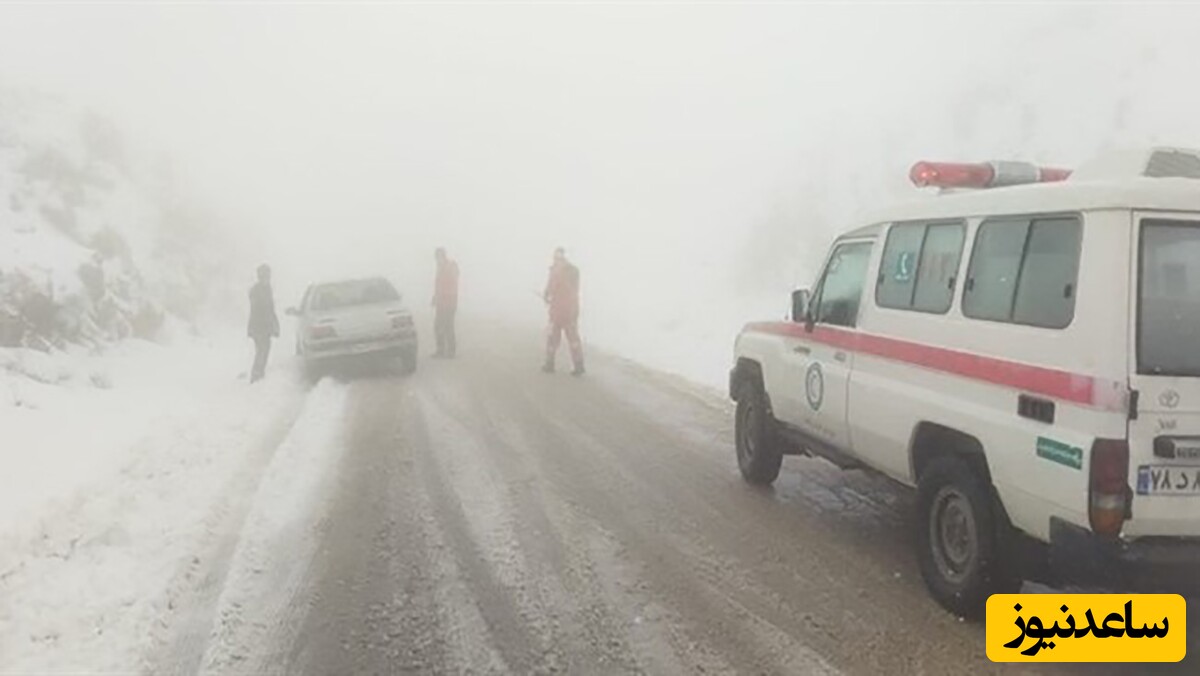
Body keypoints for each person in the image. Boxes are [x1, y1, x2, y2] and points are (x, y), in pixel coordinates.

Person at [542, 247, 584, 375]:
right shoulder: (574, 271)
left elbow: (550, 288)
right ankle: (579, 365)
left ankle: (550, 364)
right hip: (571, 310)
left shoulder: (556, 271)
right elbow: (575, 290)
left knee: (552, 338)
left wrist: (546, 295)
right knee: (573, 338)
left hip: (558, 311)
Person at [247, 263, 280, 383]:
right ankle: (256, 376)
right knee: (261, 350)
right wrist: (270, 324)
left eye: (268, 275)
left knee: (264, 349)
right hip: (258, 327)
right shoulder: (257, 291)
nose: (267, 278)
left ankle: (259, 374)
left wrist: (274, 324)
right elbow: (260, 310)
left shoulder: (267, 289)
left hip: (264, 326)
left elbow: (271, 309)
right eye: (265, 276)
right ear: (260, 276)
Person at [432, 247, 459, 358]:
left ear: (443, 256)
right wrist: (435, 297)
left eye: (438, 257)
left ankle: (451, 351)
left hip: (449, 303)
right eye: (436, 258)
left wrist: (444, 296)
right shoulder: (440, 268)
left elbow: (452, 284)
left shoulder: (450, 267)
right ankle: (440, 349)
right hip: (441, 303)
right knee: (437, 326)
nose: (437, 260)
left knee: (448, 326)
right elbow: (439, 285)